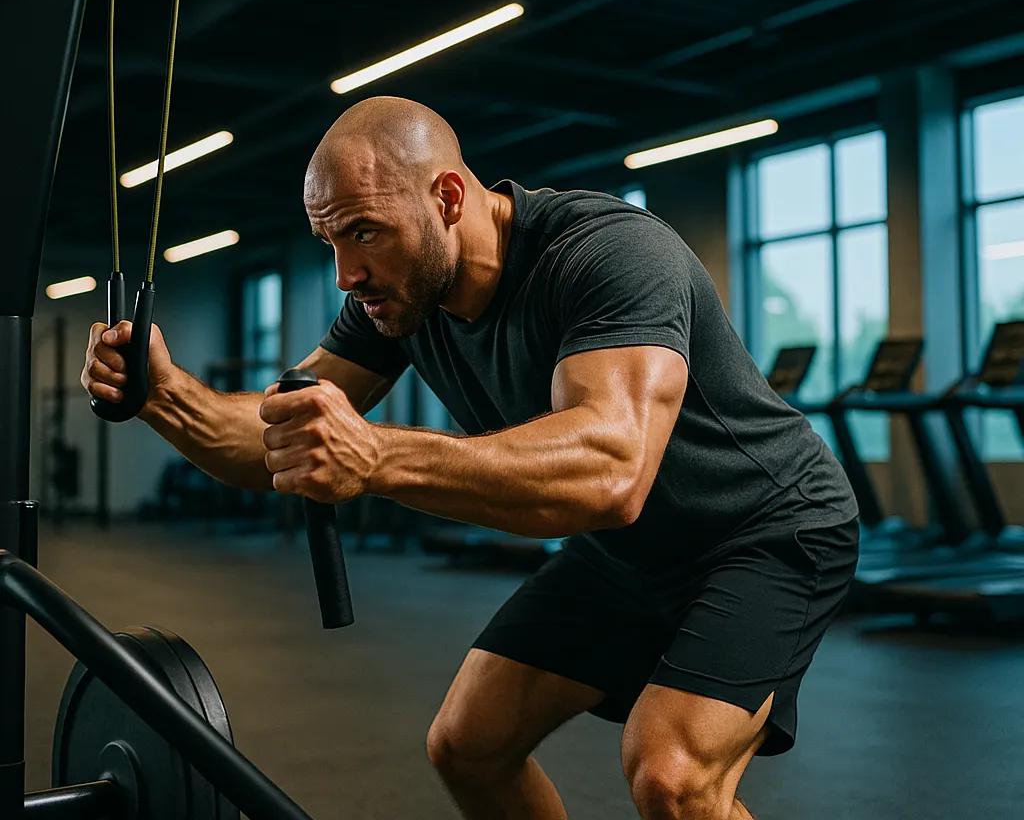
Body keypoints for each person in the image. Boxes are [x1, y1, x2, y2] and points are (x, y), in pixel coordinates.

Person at [83, 95, 859, 820]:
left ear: (448, 199)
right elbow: (279, 435)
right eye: (331, 242)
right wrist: (163, 394)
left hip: (764, 531)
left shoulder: (609, 253)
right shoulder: (395, 300)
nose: (346, 275)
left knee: (673, 776)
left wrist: (378, 456)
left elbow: (611, 469)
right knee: (468, 747)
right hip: (629, 555)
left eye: (363, 232)